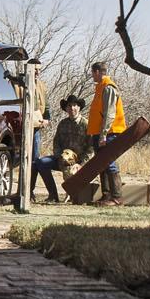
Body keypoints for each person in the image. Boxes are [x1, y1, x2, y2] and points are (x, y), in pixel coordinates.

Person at [32, 94, 87, 202]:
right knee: (40, 162)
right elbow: (56, 142)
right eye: (69, 106)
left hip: (78, 162)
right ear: (66, 108)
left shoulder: (85, 124)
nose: (72, 108)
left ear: (79, 107)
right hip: (62, 159)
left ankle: (75, 195)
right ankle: (53, 195)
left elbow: (91, 148)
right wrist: (59, 157)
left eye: (75, 105)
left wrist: (81, 164)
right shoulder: (62, 124)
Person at [88, 62, 127, 206]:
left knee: (109, 162)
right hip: (99, 133)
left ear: (97, 71)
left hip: (109, 133)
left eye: (92, 72)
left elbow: (109, 114)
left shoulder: (108, 87)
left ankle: (117, 197)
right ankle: (106, 196)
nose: (92, 75)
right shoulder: (100, 87)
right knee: (102, 163)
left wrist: (104, 134)